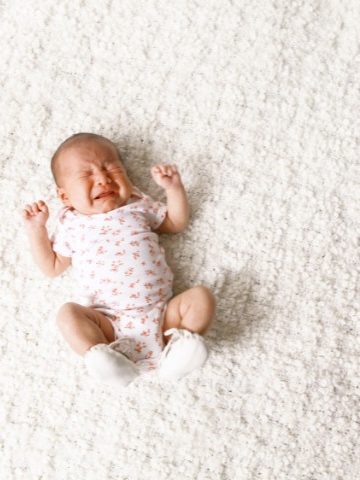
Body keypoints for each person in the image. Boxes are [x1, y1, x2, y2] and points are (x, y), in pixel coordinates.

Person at [22, 133, 215, 386]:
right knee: (67, 314)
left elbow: (176, 223)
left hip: (164, 315)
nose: (103, 179)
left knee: (202, 297)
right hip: (108, 322)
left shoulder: (137, 204)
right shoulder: (70, 224)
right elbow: (52, 266)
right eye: (86, 175)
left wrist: (173, 189)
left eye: (112, 169)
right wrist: (37, 230)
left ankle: (181, 351)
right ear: (65, 197)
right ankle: (103, 357)